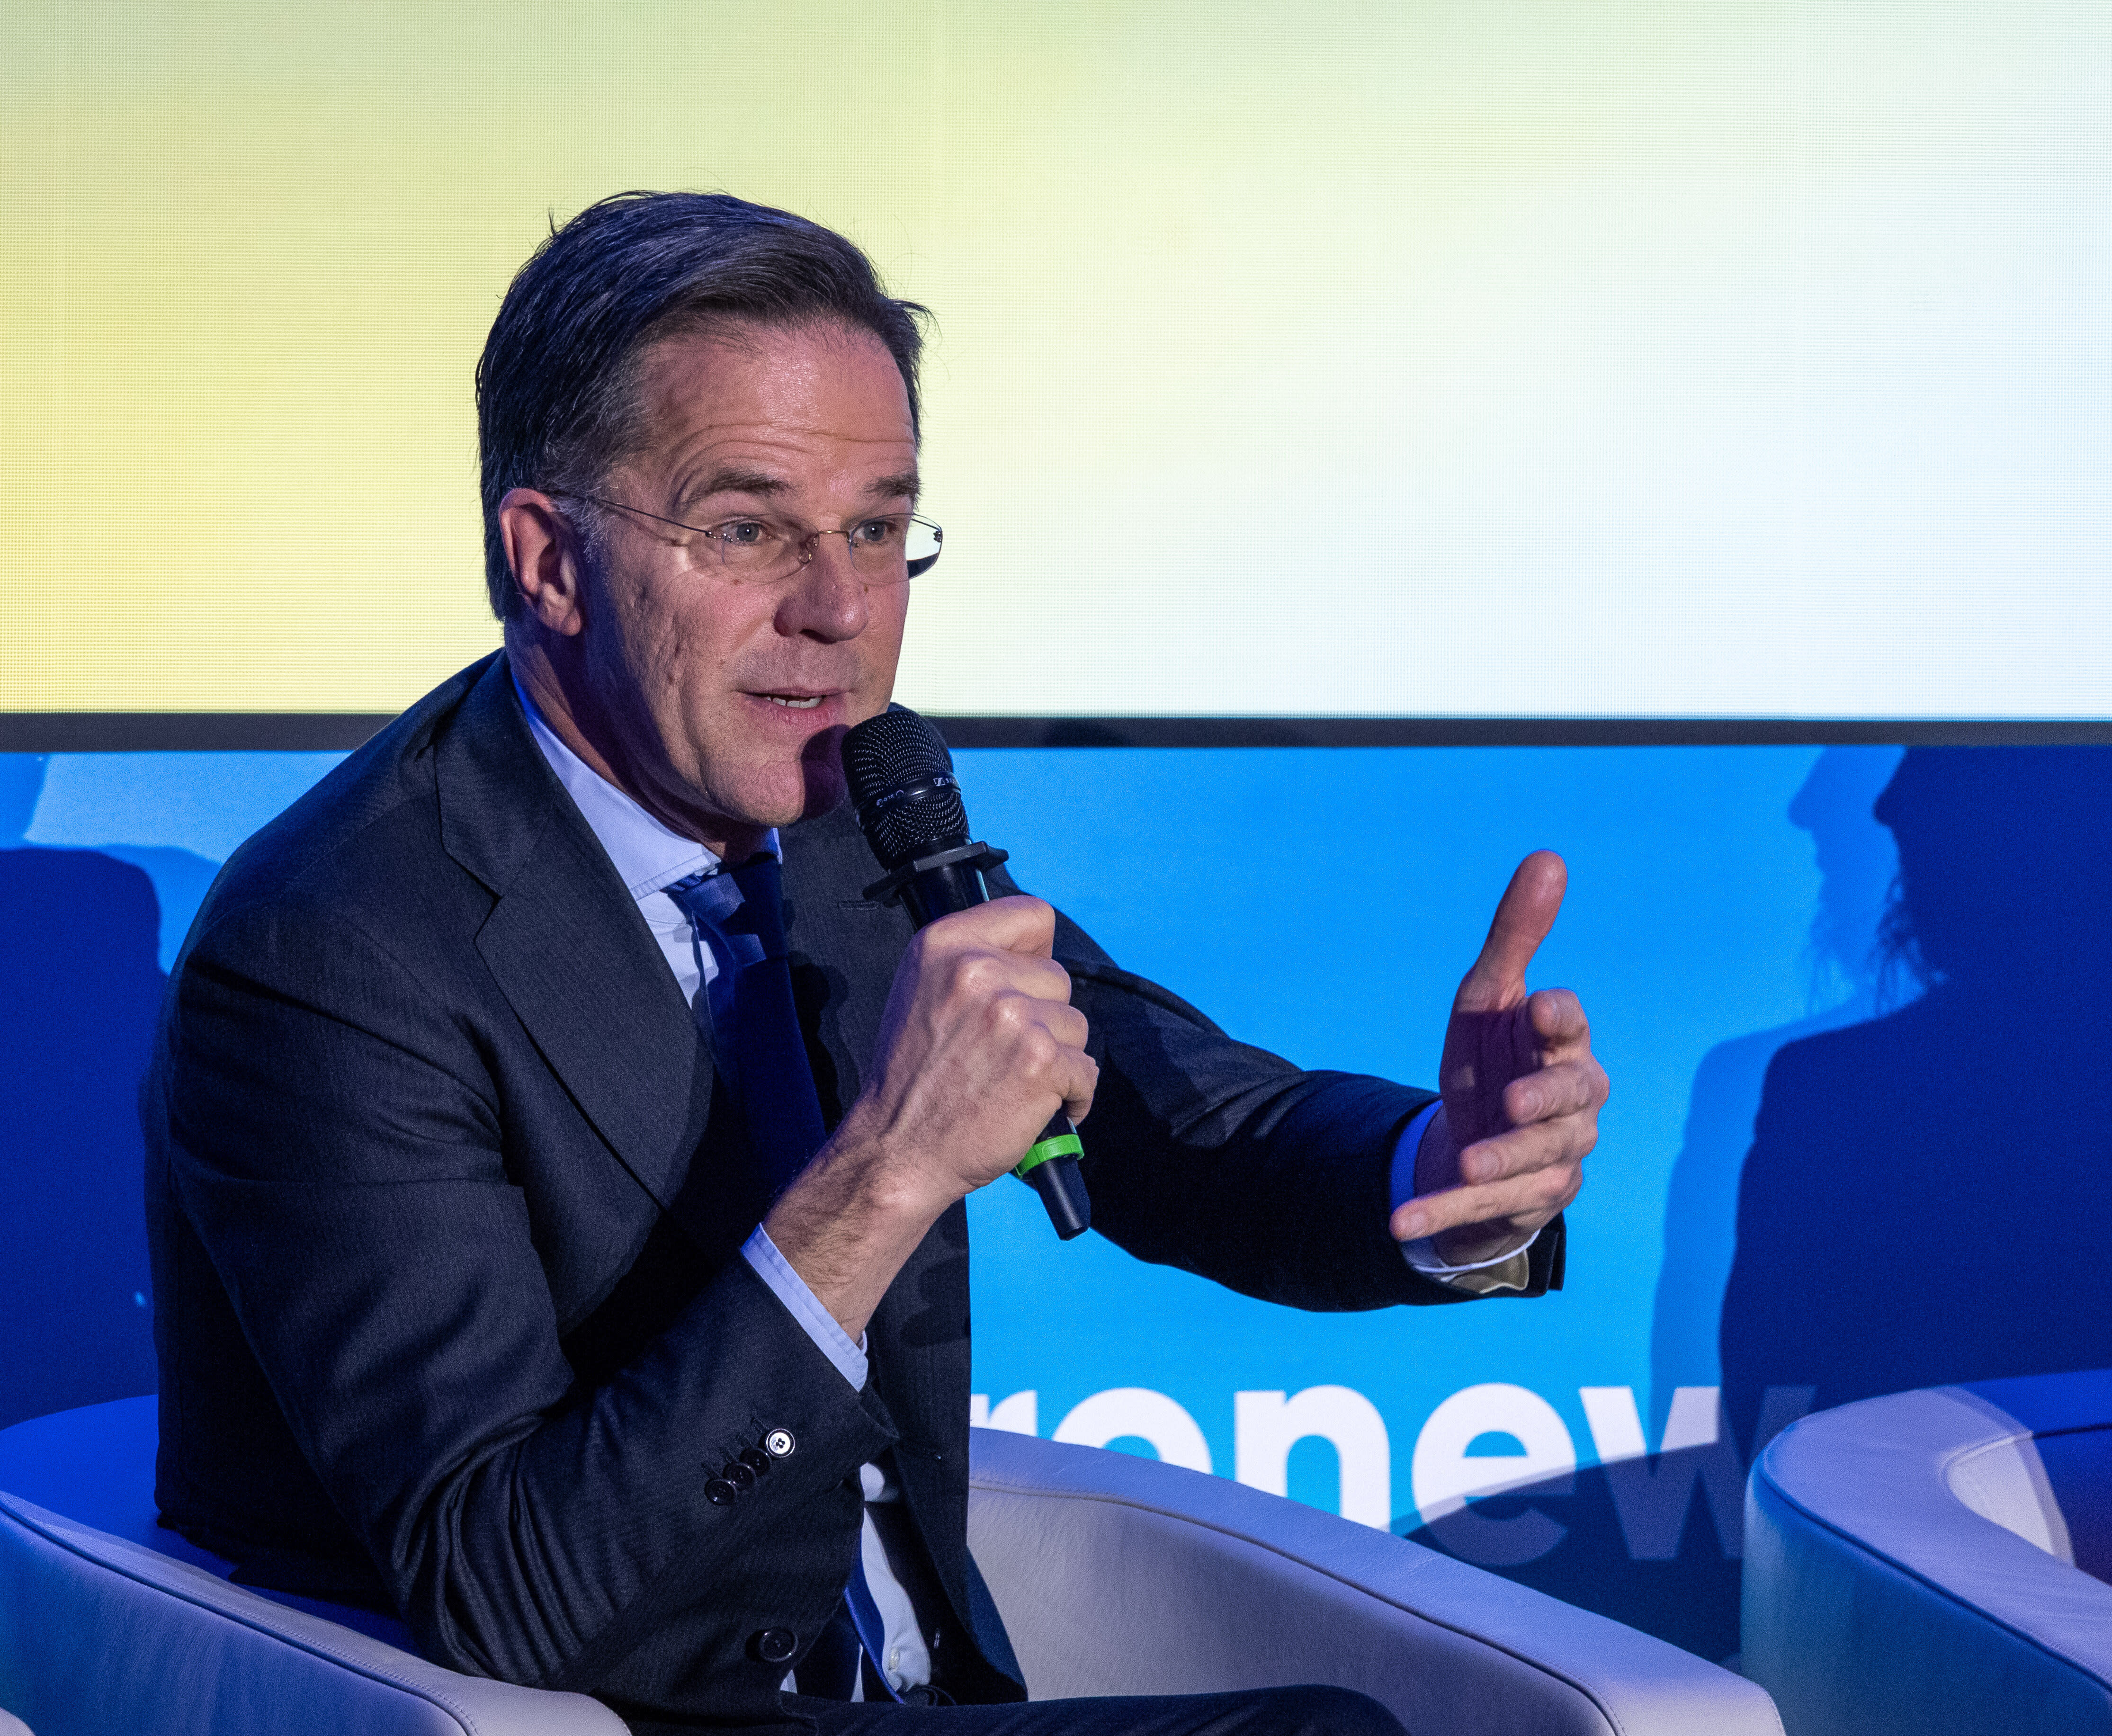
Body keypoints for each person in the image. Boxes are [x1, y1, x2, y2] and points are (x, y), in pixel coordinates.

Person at [143, 192, 1606, 1736]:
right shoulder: (329, 950)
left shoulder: (845, 806)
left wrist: (1440, 1176)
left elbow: (1176, 1118)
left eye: (874, 529)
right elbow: (505, 1584)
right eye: (747, 530)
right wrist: (890, 1169)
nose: (840, 612)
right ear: (549, 560)